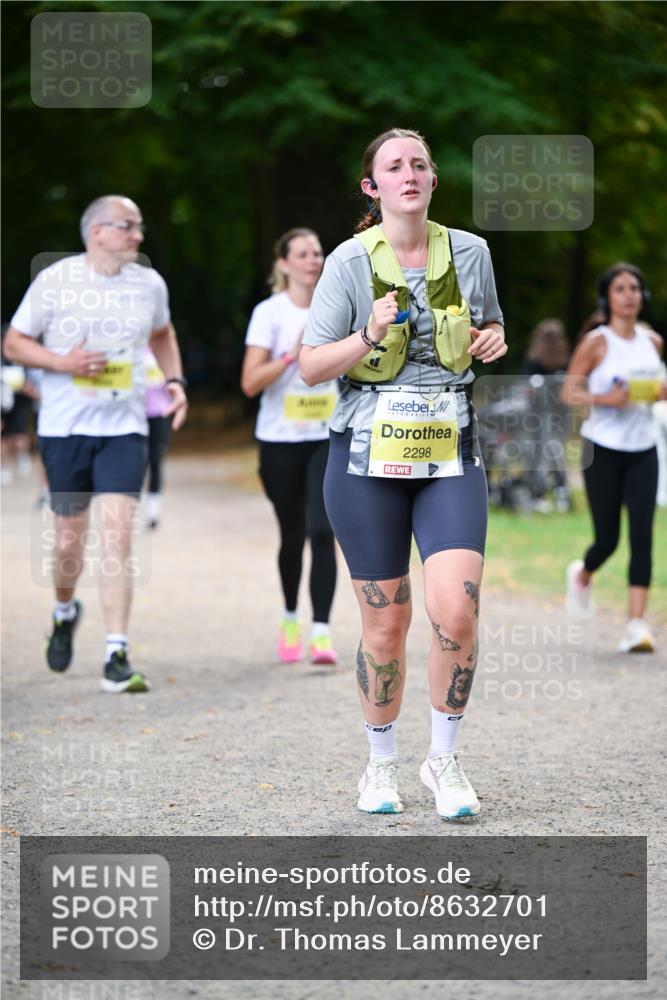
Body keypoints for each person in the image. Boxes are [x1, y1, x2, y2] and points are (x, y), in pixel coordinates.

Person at [300, 128, 507, 819]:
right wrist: (366, 335)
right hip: (365, 460)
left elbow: (489, 331)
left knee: (457, 612)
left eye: (418, 163)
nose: (408, 173)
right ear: (373, 187)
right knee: (385, 626)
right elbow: (309, 366)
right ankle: (380, 766)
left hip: (449, 455)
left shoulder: (471, 252)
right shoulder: (348, 263)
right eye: (393, 166)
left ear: (432, 180)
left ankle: (442, 761)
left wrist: (492, 339)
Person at [3, 195, 188, 692]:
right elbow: (14, 343)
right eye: (127, 226)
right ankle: (65, 612)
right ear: (96, 232)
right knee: (68, 542)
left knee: (118, 535)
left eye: (139, 226)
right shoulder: (55, 281)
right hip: (65, 430)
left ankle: (116, 652)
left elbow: (164, 334)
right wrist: (63, 364)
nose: (137, 235)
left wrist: (175, 382)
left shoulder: (149, 283)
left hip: (124, 429)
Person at [241, 228, 339, 665]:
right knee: (292, 534)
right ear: (283, 263)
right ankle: (289, 616)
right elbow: (249, 383)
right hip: (279, 439)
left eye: (317, 253)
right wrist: (291, 356)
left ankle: (321, 631)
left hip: (327, 435)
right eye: (302, 254)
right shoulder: (269, 313)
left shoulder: (338, 305)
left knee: (323, 530)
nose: (312, 260)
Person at [562, 262, 666, 652]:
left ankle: (636, 626)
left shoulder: (653, 342)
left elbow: (656, 386)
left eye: (635, 288)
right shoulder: (597, 342)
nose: (629, 295)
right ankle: (583, 574)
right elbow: (569, 392)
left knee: (642, 537)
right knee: (608, 539)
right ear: (608, 296)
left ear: (643, 297)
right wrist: (607, 399)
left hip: (643, 449)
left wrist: (659, 393)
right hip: (602, 450)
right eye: (621, 288)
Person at [520, 318, 572, 512]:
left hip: (559, 414)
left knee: (555, 452)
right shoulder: (533, 359)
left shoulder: (565, 359)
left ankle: (560, 490)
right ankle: (538, 492)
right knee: (539, 453)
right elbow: (526, 386)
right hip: (538, 415)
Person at [143, 343, 173, 529]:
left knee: (156, 460)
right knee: (136, 462)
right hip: (136, 415)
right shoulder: (129, 347)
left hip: (160, 414)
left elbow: (172, 381)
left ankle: (153, 511)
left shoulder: (162, 349)